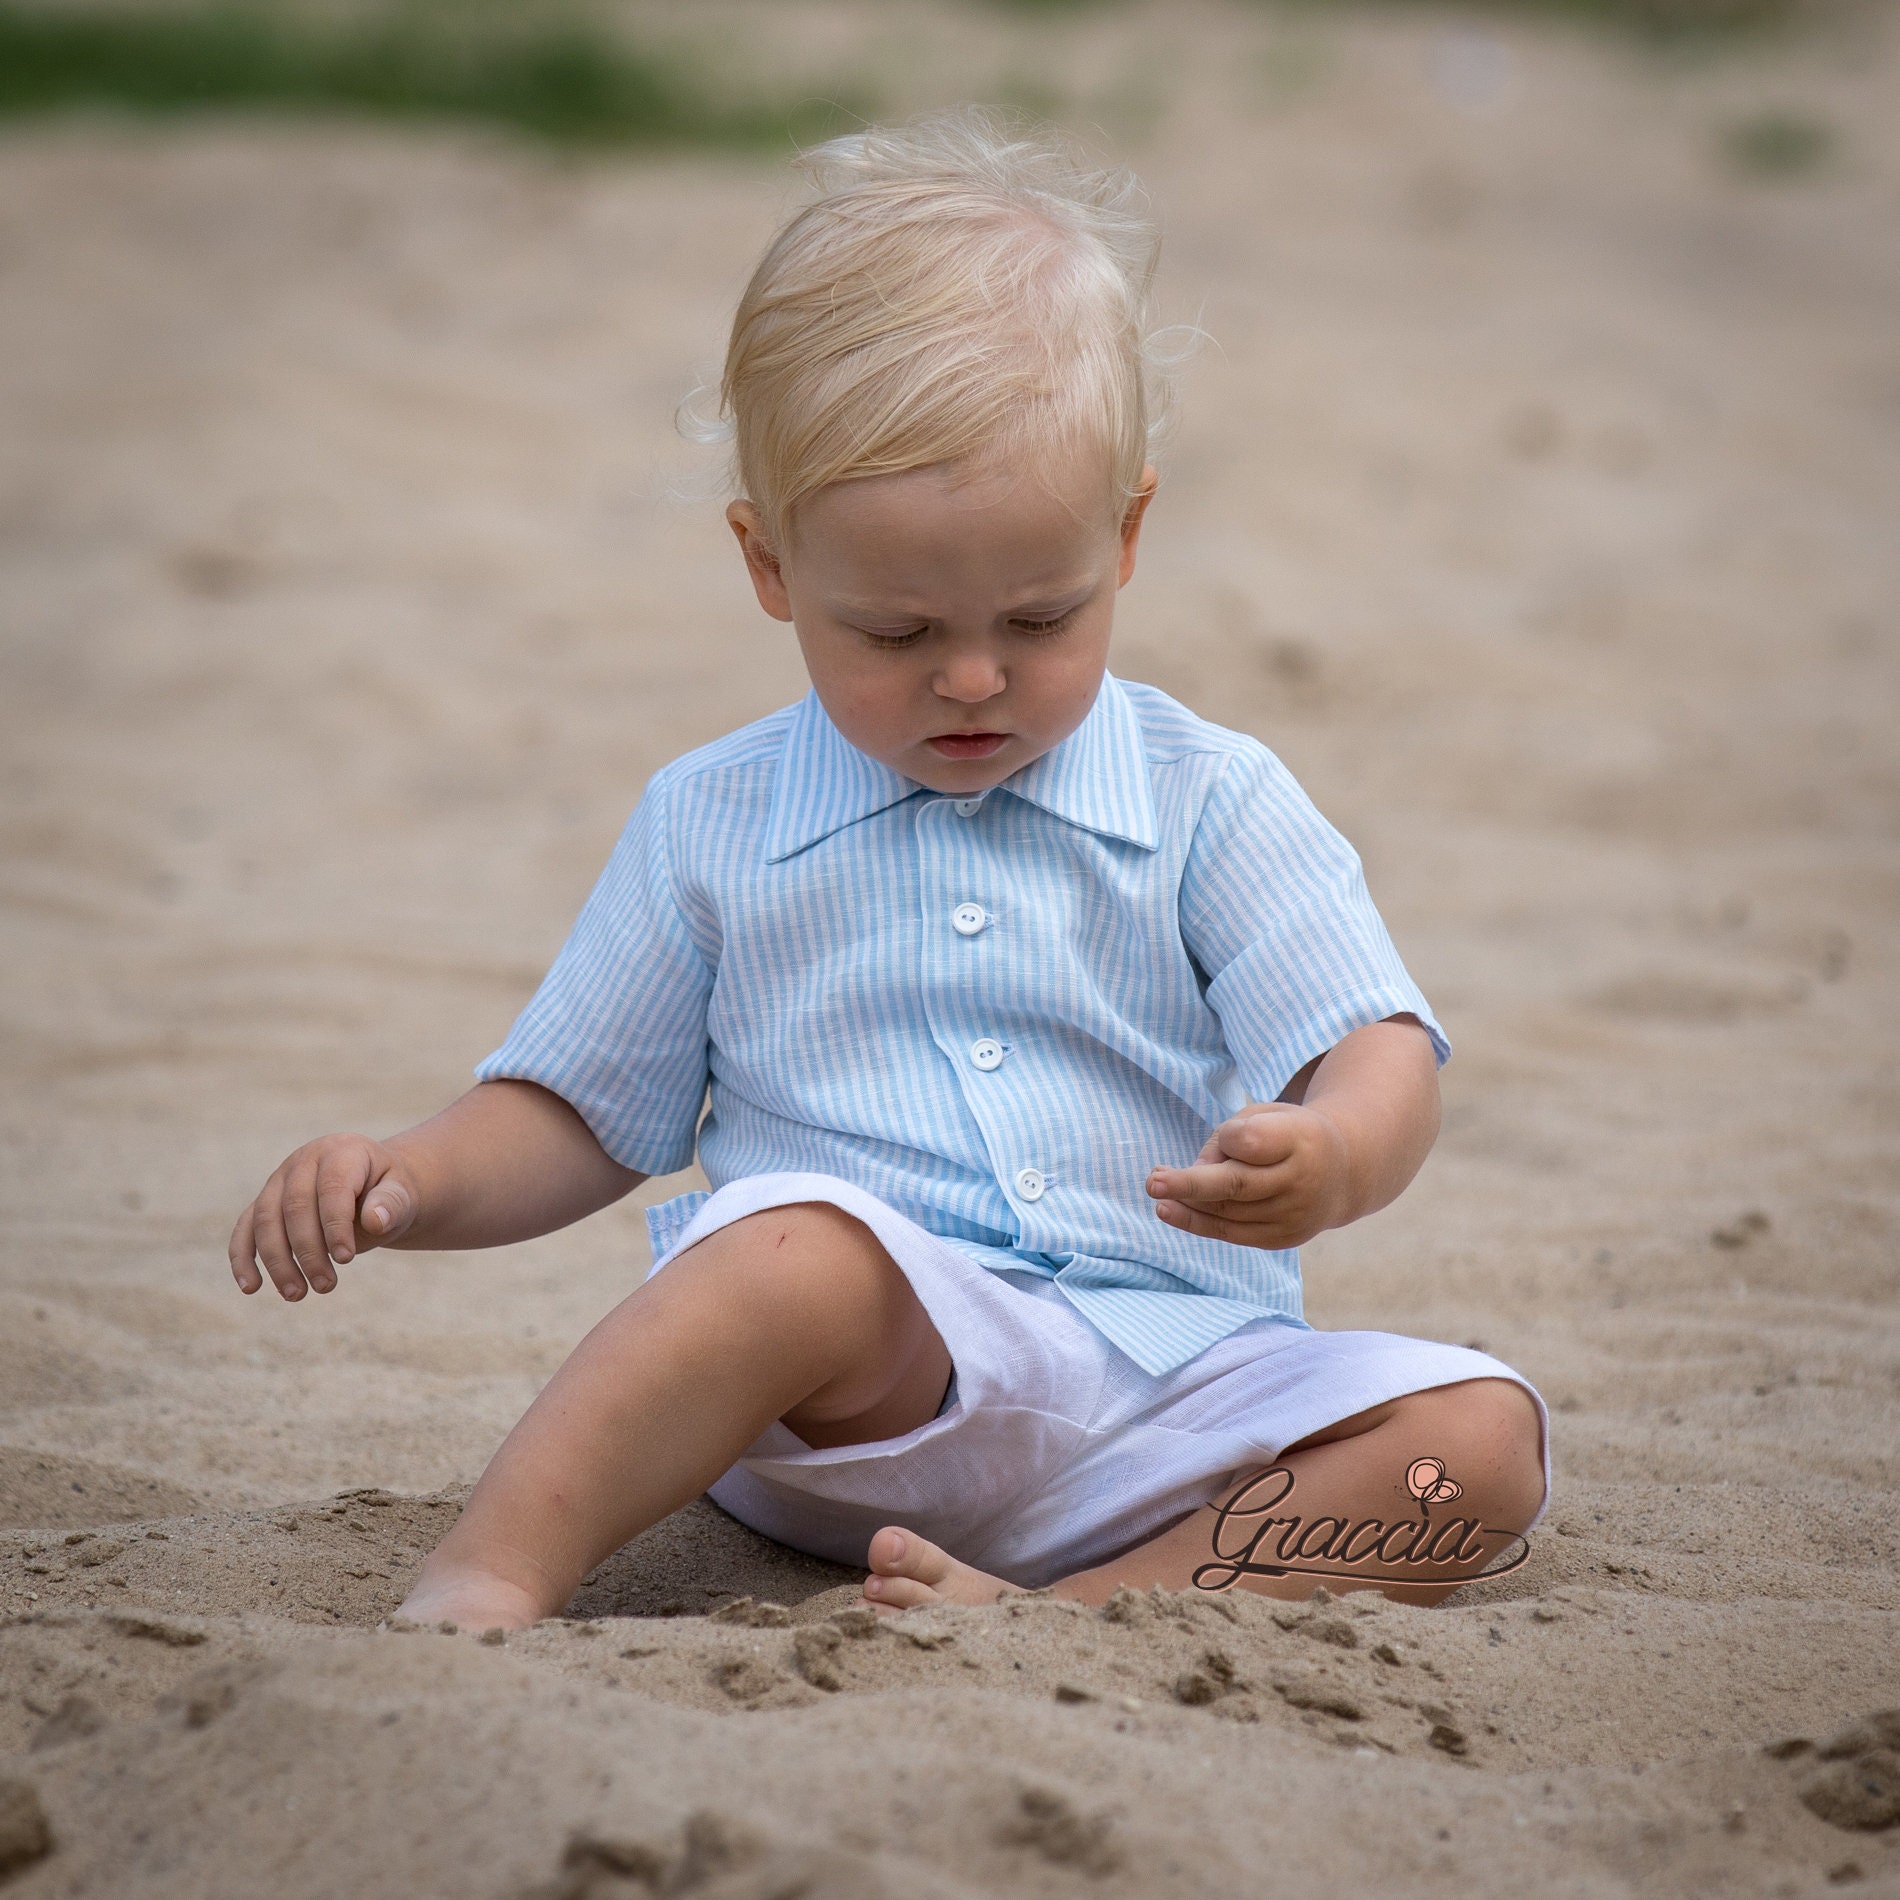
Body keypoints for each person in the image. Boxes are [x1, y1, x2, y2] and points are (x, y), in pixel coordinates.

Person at [229, 108, 1550, 1631]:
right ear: (771, 567)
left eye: (1039, 620)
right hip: (857, 1402)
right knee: (793, 1247)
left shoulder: (1213, 800)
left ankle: (1090, 1609)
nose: (974, 680)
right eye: (898, 635)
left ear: (1126, 540)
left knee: (1478, 1451)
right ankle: (495, 1568)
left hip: (1169, 1393)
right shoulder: (711, 820)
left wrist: (1338, 1158)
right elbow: (583, 1111)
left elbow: (1372, 1045)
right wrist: (413, 1177)